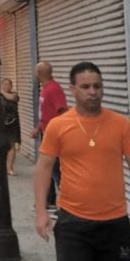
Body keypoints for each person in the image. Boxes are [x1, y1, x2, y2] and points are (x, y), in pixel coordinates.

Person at [34, 62, 130, 259]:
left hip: (115, 223)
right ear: (72, 89)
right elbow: (43, 169)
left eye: (97, 86)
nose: (93, 92)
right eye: (85, 87)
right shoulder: (58, 126)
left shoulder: (121, 124)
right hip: (73, 224)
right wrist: (41, 211)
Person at [31, 61, 68, 209]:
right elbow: (47, 113)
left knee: (55, 170)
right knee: (49, 169)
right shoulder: (46, 89)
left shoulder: (53, 89)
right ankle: (49, 200)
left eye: (36, 72)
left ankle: (65, 203)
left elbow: (63, 111)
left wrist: (60, 133)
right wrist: (38, 128)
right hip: (46, 133)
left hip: (54, 137)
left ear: (40, 73)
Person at [1, 78, 20, 176]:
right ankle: (6, 166)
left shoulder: (14, 95)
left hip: (12, 123)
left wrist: (1, 92)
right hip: (1, 124)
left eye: (8, 84)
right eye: (4, 84)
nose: (6, 86)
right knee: (3, 146)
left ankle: (9, 167)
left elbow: (11, 98)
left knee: (12, 145)